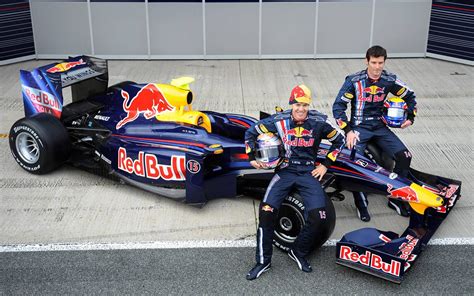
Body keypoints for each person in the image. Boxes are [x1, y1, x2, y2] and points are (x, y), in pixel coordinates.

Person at [245, 84, 345, 280]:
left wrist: (325, 165)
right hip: (285, 171)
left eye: (305, 105)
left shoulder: (319, 123)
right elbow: (250, 133)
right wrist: (251, 157)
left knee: (319, 216)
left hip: (309, 172)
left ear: (309, 105)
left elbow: (339, 141)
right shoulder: (277, 121)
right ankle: (263, 261)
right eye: (298, 104)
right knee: (266, 212)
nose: (301, 109)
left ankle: (298, 251)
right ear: (292, 104)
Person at [332, 45, 417, 222]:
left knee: (405, 156)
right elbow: (338, 107)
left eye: (380, 63)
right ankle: (361, 204)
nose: (377, 67)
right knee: (354, 162)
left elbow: (410, 96)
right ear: (367, 61)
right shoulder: (354, 81)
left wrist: (410, 118)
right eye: (374, 62)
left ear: (385, 62)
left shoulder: (389, 79)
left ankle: (395, 199)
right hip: (358, 128)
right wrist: (347, 131)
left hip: (380, 126)